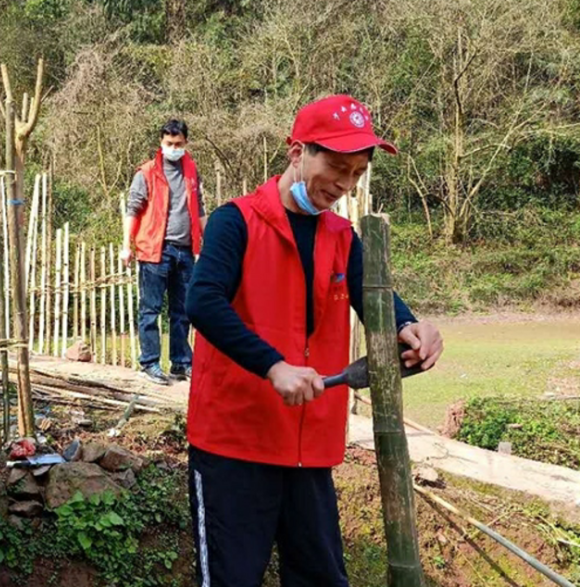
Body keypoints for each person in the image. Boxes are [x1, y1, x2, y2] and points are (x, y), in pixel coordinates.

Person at [185, 95, 444, 587]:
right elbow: (203, 302)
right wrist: (273, 366)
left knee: (321, 578)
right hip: (234, 444)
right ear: (296, 151)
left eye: (357, 174)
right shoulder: (235, 221)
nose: (344, 185)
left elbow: (380, 304)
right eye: (336, 167)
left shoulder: (343, 236)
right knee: (231, 579)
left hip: (310, 450)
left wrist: (411, 328)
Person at [121, 119, 207, 385]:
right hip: (153, 250)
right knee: (150, 310)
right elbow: (132, 210)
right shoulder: (146, 172)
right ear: (161, 142)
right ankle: (150, 363)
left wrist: (208, 243)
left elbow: (200, 209)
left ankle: (181, 362)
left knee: (183, 311)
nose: (173, 148)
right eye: (169, 144)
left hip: (184, 250)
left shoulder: (192, 172)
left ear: (186, 143)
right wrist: (127, 245)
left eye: (178, 144)